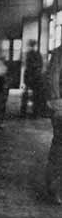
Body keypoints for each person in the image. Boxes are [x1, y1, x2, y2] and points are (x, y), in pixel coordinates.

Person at [45, 45, 62, 205]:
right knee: (60, 147)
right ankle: (56, 189)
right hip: (61, 107)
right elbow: (52, 78)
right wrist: (57, 103)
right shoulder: (59, 53)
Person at [21, 39, 44, 117]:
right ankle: (35, 112)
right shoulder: (37, 54)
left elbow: (28, 66)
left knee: (27, 95)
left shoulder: (29, 54)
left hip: (31, 76)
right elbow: (40, 66)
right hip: (35, 77)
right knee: (35, 95)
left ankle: (24, 111)